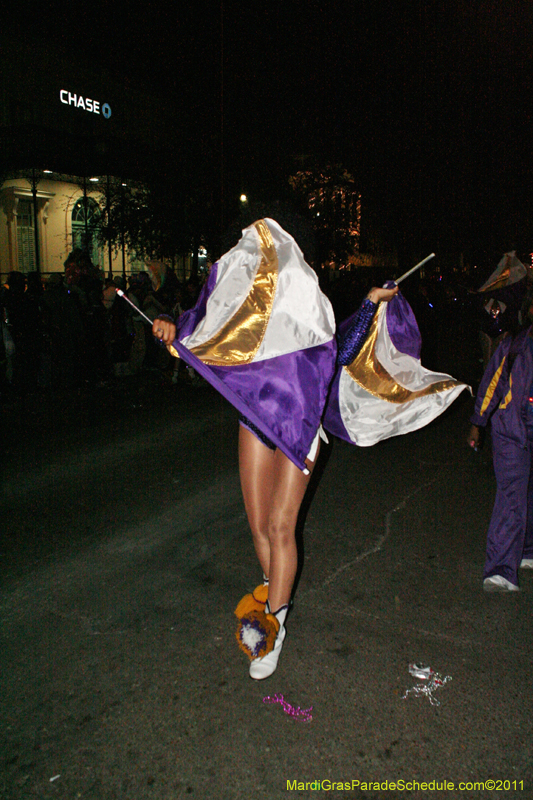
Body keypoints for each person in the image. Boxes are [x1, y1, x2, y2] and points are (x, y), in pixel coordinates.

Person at [153, 218, 398, 680]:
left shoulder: (307, 307)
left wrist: (369, 302)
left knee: (281, 527)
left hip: (300, 430)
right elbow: (204, 329)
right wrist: (171, 327)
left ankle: (274, 626)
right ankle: (274, 589)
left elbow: (340, 352)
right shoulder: (249, 311)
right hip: (255, 423)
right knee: (259, 528)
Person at [468, 292, 533, 591]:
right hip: (510, 431)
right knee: (512, 497)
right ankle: (499, 570)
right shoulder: (514, 345)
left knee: (527, 494)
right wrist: (477, 424)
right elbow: (490, 385)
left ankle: (526, 552)